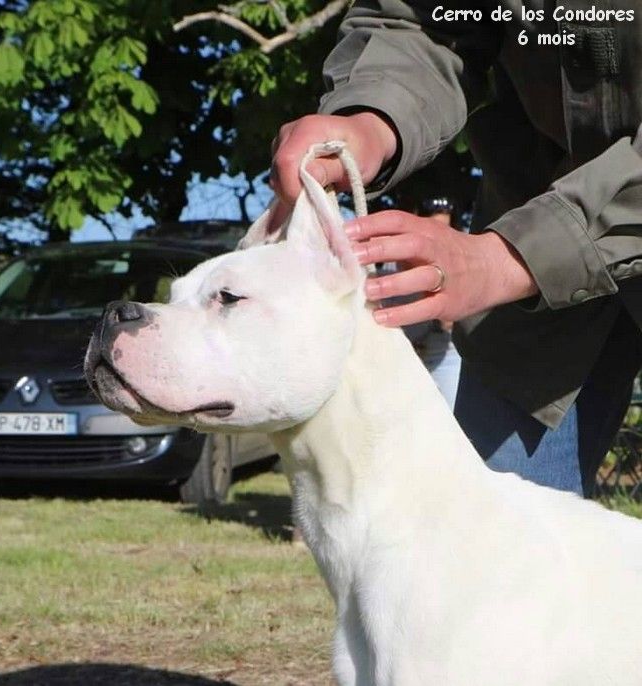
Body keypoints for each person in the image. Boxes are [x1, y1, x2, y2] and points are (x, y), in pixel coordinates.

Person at [269, 0, 642, 497]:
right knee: (485, 553)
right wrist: (371, 118)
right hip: (529, 304)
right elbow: (429, 21)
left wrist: (506, 258)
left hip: (515, 257)